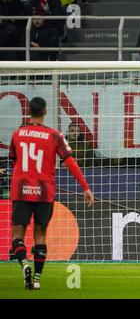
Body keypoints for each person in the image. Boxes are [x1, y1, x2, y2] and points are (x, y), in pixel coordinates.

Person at [8, 97, 94, 290]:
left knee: (18, 236)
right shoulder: (54, 135)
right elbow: (70, 161)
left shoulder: (17, 134)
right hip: (44, 192)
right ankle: (36, 279)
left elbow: (13, 162)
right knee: (40, 235)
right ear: (45, 112)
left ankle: (24, 265)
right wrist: (85, 188)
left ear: (28, 112)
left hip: (21, 190)